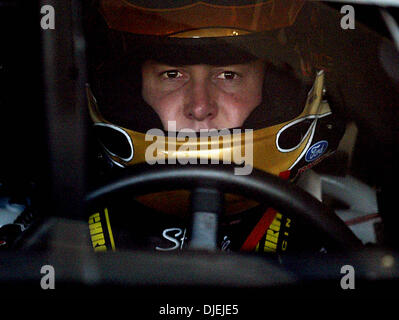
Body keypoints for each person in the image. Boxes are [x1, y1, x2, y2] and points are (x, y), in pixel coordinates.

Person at [84, 0, 346, 254]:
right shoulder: (62, 236)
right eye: (172, 74)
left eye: (229, 75)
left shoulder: (336, 247)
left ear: (273, 89)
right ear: (132, 91)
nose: (200, 107)